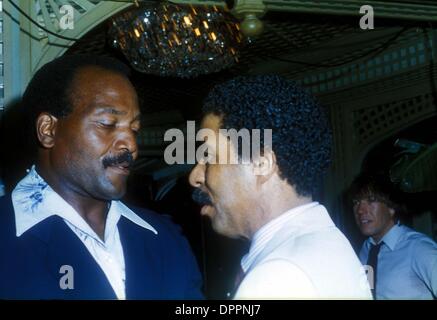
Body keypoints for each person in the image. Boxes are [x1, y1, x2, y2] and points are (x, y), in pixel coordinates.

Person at [0, 55, 203, 299]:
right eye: (107, 124)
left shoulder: (167, 238)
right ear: (48, 130)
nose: (130, 145)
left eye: (134, 129)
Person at [189, 75, 371, 299]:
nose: (194, 176)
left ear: (261, 164)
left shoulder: (279, 276)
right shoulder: (319, 246)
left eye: (208, 157)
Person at [351, 173, 437, 299]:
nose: (360, 210)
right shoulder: (366, 249)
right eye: (356, 202)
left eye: (371, 200)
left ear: (391, 208)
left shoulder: (419, 249)